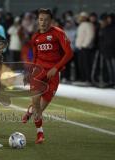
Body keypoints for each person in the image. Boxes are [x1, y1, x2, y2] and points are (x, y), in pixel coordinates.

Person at [22, 8, 73, 144]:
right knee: (36, 103)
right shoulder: (35, 37)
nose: (43, 22)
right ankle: (40, 134)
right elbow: (35, 56)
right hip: (39, 73)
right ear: (38, 20)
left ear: (51, 21)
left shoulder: (58, 33)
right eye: (41, 19)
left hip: (53, 75)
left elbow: (69, 53)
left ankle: (30, 111)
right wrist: (29, 72)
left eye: (46, 20)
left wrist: (56, 68)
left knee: (40, 108)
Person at [75, 12, 95, 84]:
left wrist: (85, 45)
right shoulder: (81, 25)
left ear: (85, 17)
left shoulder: (88, 25)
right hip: (80, 47)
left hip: (85, 48)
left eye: (81, 17)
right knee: (81, 64)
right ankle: (83, 79)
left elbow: (90, 36)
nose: (79, 18)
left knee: (86, 64)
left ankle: (88, 79)